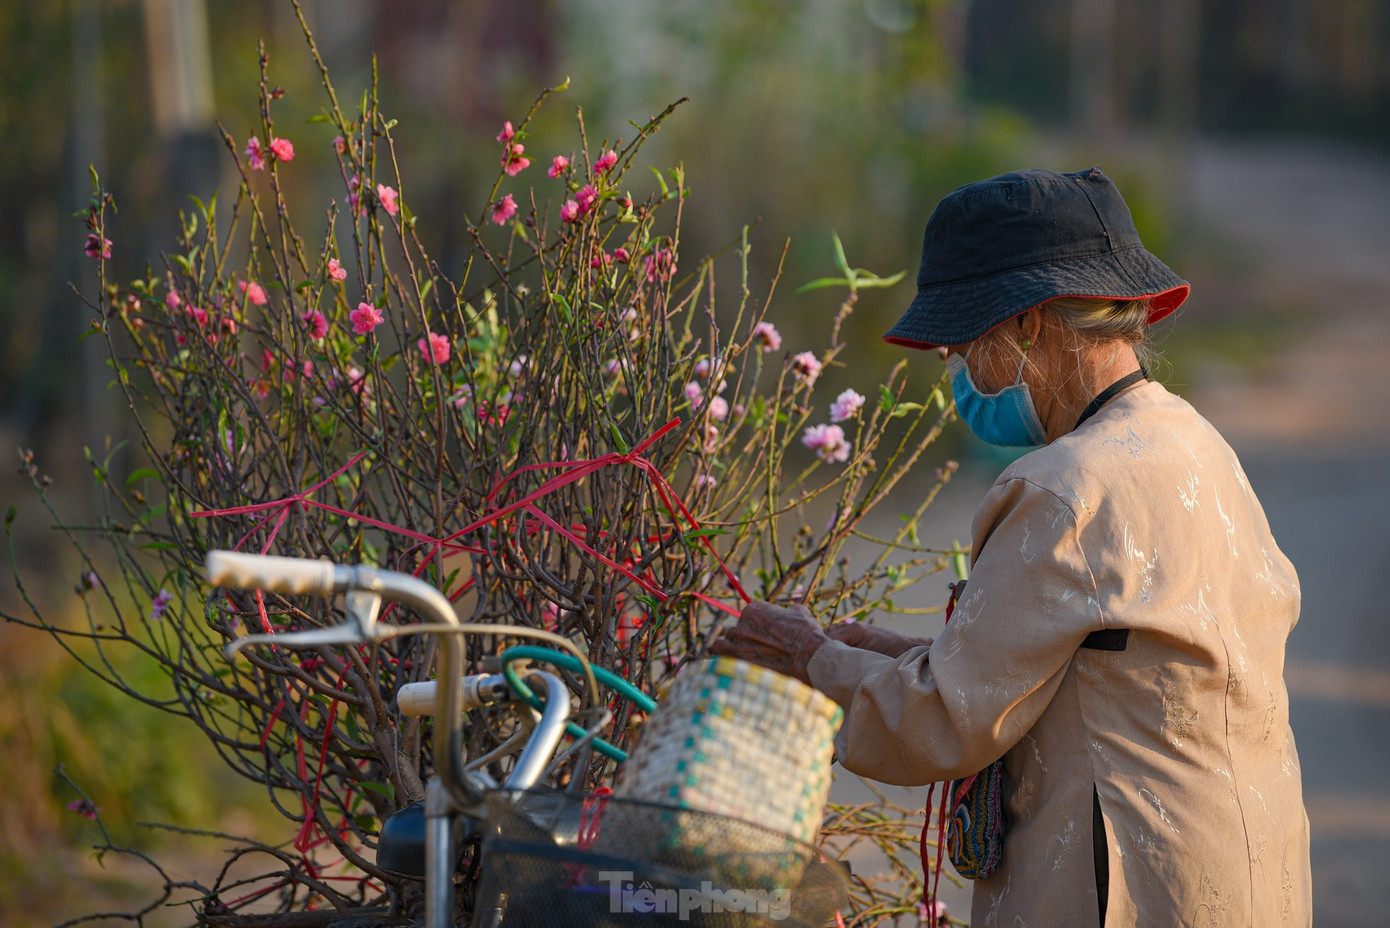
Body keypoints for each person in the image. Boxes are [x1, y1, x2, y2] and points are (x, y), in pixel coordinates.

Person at [712, 167, 1311, 927]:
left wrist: (805, 655)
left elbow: (939, 724)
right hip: (1236, 873)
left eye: (963, 345)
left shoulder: (1066, 487)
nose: (956, 371)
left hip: (1126, 886)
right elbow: (1099, 671)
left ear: (1028, 325)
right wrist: (897, 656)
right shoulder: (1194, 443)